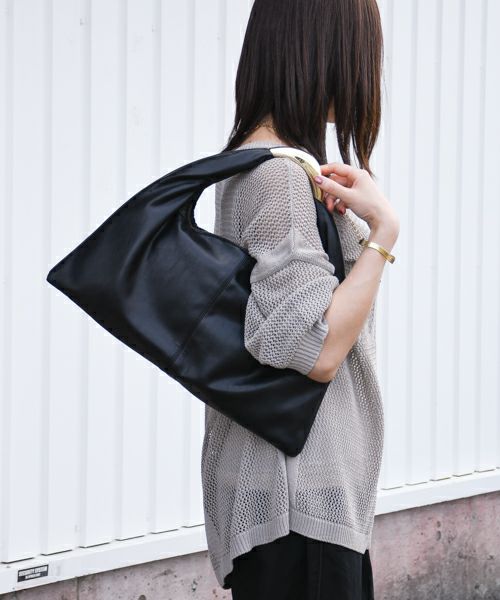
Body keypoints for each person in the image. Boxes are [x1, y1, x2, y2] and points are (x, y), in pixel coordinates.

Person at [201, 0, 400, 598]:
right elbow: (315, 347)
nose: (367, 72)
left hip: (292, 497)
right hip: (298, 500)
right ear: (325, 53)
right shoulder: (278, 178)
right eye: (362, 53)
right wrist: (383, 233)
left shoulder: (264, 164)